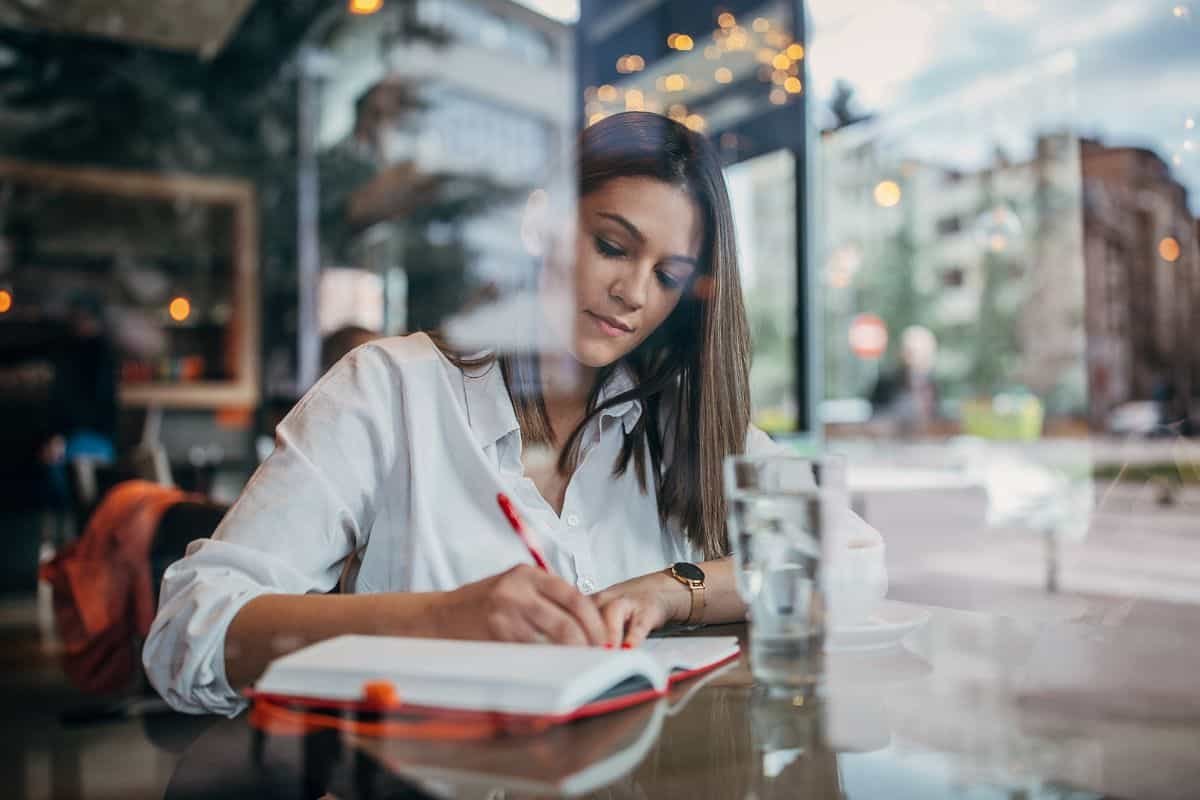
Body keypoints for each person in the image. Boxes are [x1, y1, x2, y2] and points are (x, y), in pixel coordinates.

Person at [143, 112, 881, 716]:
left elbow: (852, 554)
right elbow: (189, 635)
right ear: (540, 223)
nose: (632, 292)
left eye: (667, 276)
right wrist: (438, 619)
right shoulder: (391, 391)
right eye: (611, 246)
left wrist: (672, 591)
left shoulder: (680, 424)